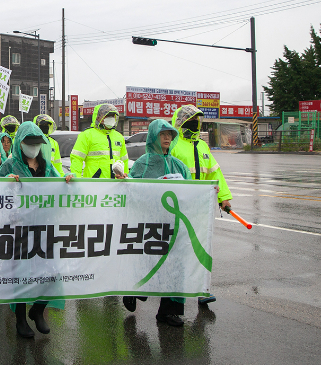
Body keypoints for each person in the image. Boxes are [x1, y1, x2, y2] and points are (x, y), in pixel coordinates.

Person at [0, 122, 72, 338]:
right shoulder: (10, 166)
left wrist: (68, 181)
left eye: (37, 143)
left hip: (44, 227)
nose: (33, 147)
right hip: (19, 229)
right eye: (29, 143)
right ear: (20, 143)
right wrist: (4, 184)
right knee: (20, 275)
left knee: (52, 271)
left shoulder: (47, 166)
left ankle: (38, 309)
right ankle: (20, 318)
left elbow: (60, 187)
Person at [122, 119, 191, 327]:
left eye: (170, 134)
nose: (167, 138)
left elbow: (190, 192)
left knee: (175, 266)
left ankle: (169, 311)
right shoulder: (143, 163)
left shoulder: (179, 165)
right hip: (149, 223)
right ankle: (133, 290)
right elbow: (132, 192)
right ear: (154, 136)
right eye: (163, 134)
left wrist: (207, 191)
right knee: (146, 260)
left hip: (173, 223)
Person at [171, 104, 233, 306]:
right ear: (180, 124)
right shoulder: (174, 145)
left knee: (201, 249)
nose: (195, 126)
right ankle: (174, 290)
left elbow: (215, 173)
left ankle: (202, 290)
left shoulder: (202, 146)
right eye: (191, 122)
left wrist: (223, 197)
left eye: (197, 123)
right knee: (178, 250)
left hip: (201, 208)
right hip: (179, 207)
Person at [70, 103, 128, 179]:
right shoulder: (87, 135)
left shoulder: (119, 137)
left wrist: (125, 175)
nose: (110, 118)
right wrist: (76, 178)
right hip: (94, 183)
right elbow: (77, 159)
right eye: (107, 115)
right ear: (97, 117)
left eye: (112, 116)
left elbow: (124, 161)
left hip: (115, 184)